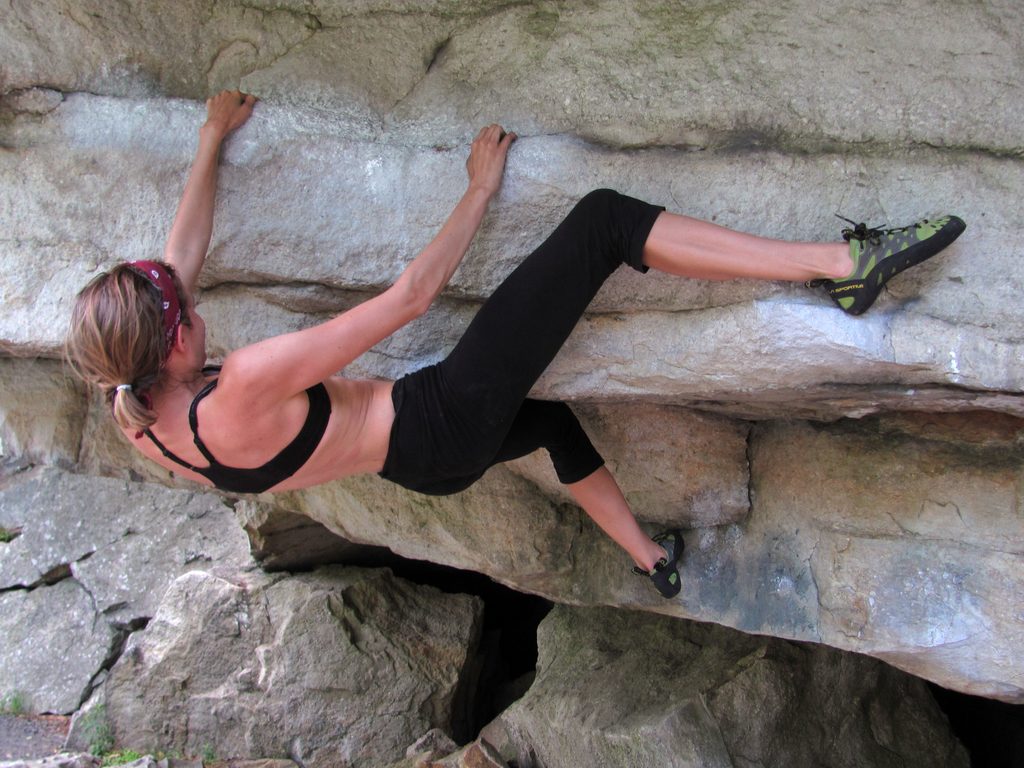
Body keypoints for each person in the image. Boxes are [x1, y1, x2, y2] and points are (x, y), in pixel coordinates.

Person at [66, 91, 965, 598]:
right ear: (172, 345)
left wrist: (211, 135)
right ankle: (841, 263)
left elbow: (178, 261)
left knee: (553, 427)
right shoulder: (249, 382)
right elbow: (411, 297)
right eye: (184, 312)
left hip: (415, 464)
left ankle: (651, 562)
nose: (194, 300)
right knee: (603, 223)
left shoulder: (135, 409)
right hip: (438, 418)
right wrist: (479, 190)